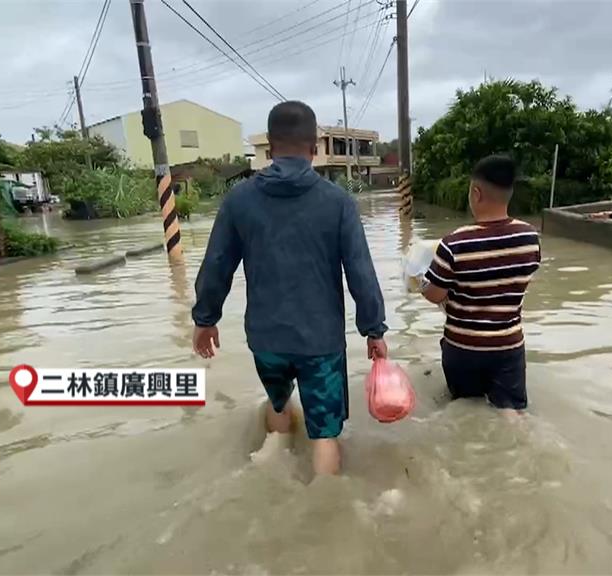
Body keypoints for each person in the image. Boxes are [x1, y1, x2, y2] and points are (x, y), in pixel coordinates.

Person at [192, 101, 388, 476]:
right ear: (314, 146)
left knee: (278, 403)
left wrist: (205, 319)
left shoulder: (238, 201)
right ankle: (324, 511)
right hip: (321, 341)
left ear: (269, 145)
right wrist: (374, 329)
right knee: (324, 434)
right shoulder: (338, 203)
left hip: (267, 338)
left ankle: (272, 459)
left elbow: (217, 264)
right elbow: (360, 272)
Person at [419, 155, 541, 413]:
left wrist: (420, 282)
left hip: (464, 349)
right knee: (511, 414)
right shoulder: (530, 238)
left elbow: (434, 294)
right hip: (509, 347)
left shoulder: (454, 243)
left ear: (476, 193)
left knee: (464, 410)